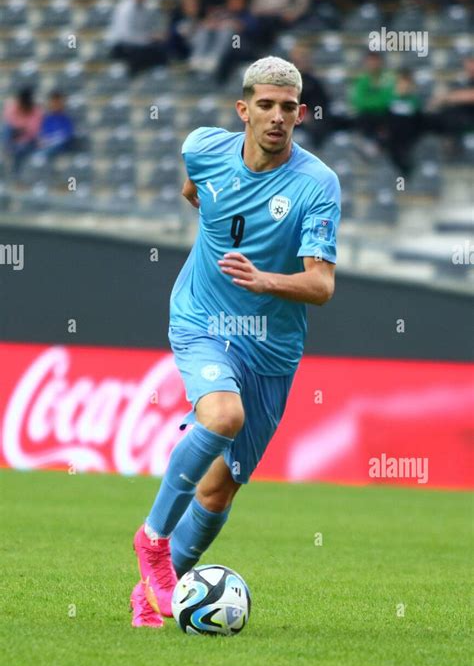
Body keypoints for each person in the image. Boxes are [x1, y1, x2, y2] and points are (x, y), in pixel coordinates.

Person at [130, 55, 341, 627]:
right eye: (265, 106)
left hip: (272, 348)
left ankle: (153, 596)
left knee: (221, 491)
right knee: (222, 416)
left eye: (288, 108)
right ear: (243, 110)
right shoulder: (203, 146)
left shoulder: (317, 184)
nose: (276, 117)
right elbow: (192, 185)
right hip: (202, 318)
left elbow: (321, 285)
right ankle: (151, 540)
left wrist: (265, 278)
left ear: (300, 115)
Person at [189, 0, 260, 81]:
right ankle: (197, 58)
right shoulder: (222, 13)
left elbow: (251, 29)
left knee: (228, 30)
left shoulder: (247, 15)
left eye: (238, 0)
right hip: (220, 43)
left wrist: (234, 25)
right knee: (205, 29)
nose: (234, 3)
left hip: (238, 44)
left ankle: (213, 59)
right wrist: (213, 24)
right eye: (232, 0)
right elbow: (206, 23)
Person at [107, 0, 168, 76]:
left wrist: (156, 36)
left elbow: (150, 29)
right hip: (122, 46)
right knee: (136, 55)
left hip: (140, 45)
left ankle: (155, 78)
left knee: (161, 49)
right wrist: (150, 37)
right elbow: (126, 36)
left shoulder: (148, 7)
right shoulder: (124, 8)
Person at [2, 86, 43, 174]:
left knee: (20, 149)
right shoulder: (12, 107)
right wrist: (20, 129)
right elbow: (9, 123)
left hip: (29, 142)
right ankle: (6, 149)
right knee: (6, 129)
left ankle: (16, 175)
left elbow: (33, 132)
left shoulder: (36, 111)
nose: (23, 105)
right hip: (13, 138)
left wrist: (21, 129)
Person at [37, 91, 75, 158]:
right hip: (48, 146)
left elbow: (67, 135)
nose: (55, 105)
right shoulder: (47, 119)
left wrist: (53, 140)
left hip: (62, 148)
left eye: (58, 102)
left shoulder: (66, 119)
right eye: (53, 102)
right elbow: (43, 134)